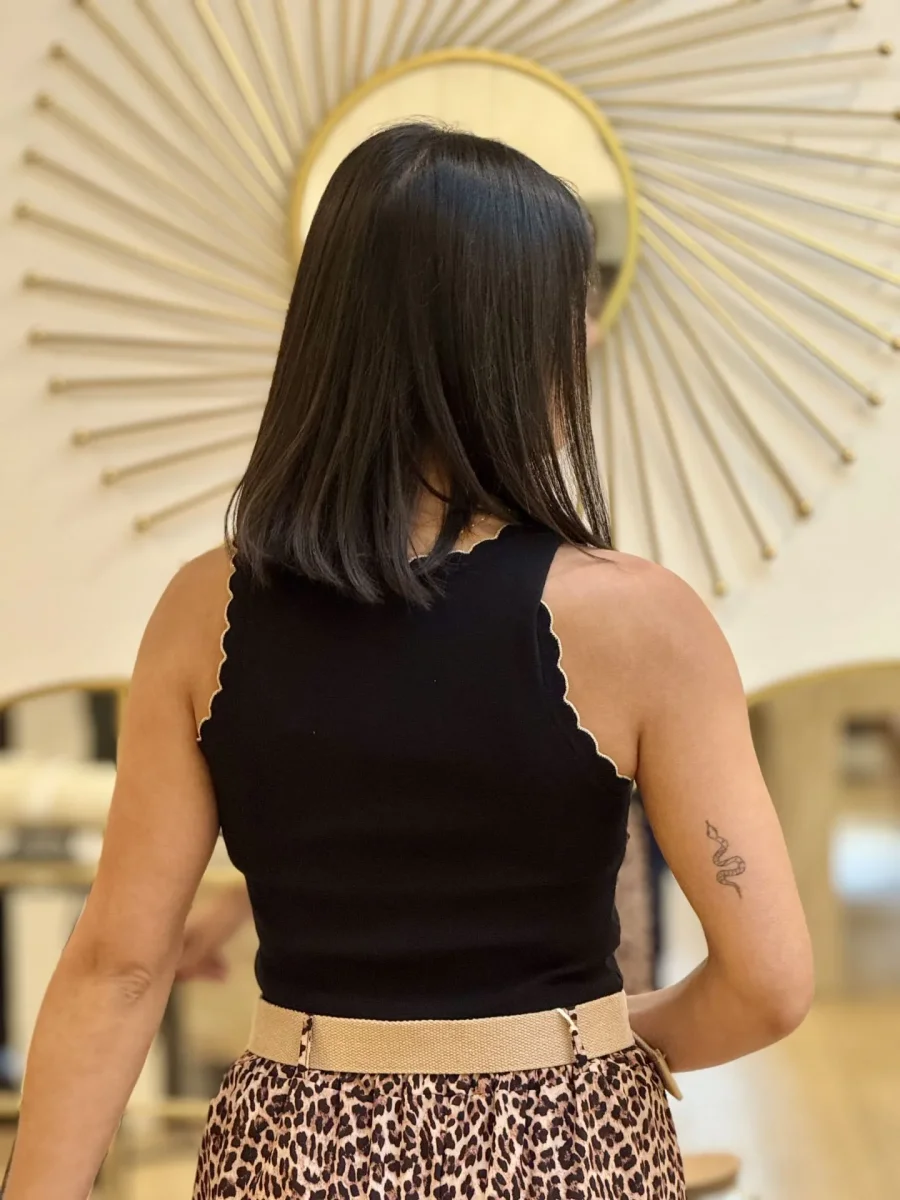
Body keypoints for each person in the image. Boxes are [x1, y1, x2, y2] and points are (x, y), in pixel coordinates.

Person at [3, 122, 813, 1200]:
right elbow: (769, 982)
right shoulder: (642, 623)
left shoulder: (204, 612)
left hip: (289, 1149)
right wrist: (602, 1043)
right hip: (565, 1145)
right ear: (494, 338)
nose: (586, 337)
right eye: (566, 306)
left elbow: (118, 970)